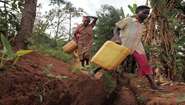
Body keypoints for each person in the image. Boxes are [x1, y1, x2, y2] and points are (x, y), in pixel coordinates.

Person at [93, 5, 162, 90]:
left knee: (145, 64)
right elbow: (116, 28)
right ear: (137, 12)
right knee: (112, 61)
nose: (146, 15)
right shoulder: (128, 20)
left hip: (137, 46)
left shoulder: (142, 26)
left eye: (148, 14)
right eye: (144, 13)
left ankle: (153, 85)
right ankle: (95, 71)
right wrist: (117, 38)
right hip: (123, 45)